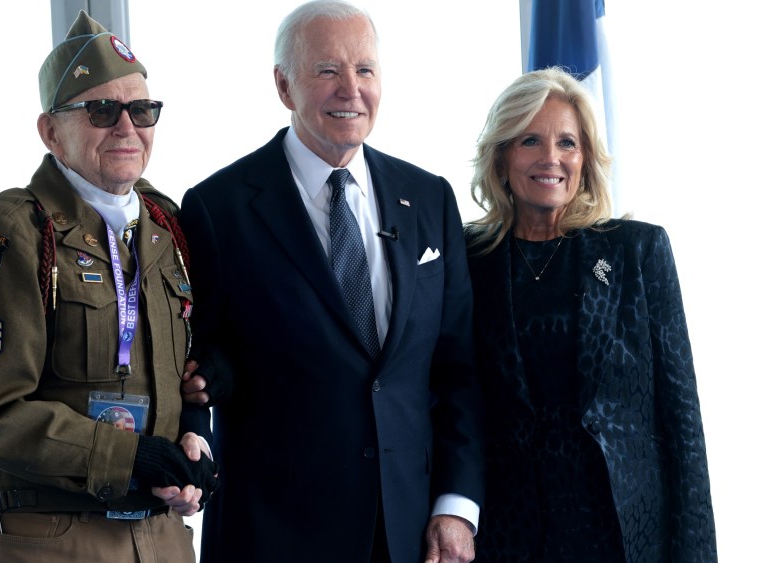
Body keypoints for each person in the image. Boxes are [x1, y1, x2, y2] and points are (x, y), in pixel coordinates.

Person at [176, 2, 484, 562]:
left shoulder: (430, 199)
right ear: (283, 85)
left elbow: (458, 368)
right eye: (327, 71)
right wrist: (197, 431)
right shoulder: (218, 208)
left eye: (365, 70)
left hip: (408, 534)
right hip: (274, 533)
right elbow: (196, 359)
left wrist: (455, 505)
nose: (351, 89)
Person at [0, 11, 217, 562]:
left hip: (160, 539)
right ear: (50, 131)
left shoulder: (167, 226)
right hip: (46, 539)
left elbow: (185, 365)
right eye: (100, 110)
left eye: (141, 110)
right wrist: (128, 456)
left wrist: (190, 435)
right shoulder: (15, 230)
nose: (126, 127)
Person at [464, 66, 717, 562]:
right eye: (530, 140)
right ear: (501, 157)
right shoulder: (468, 258)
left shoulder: (636, 250)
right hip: (506, 531)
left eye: (567, 143)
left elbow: (682, 420)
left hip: (621, 530)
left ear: (586, 159)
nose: (550, 158)